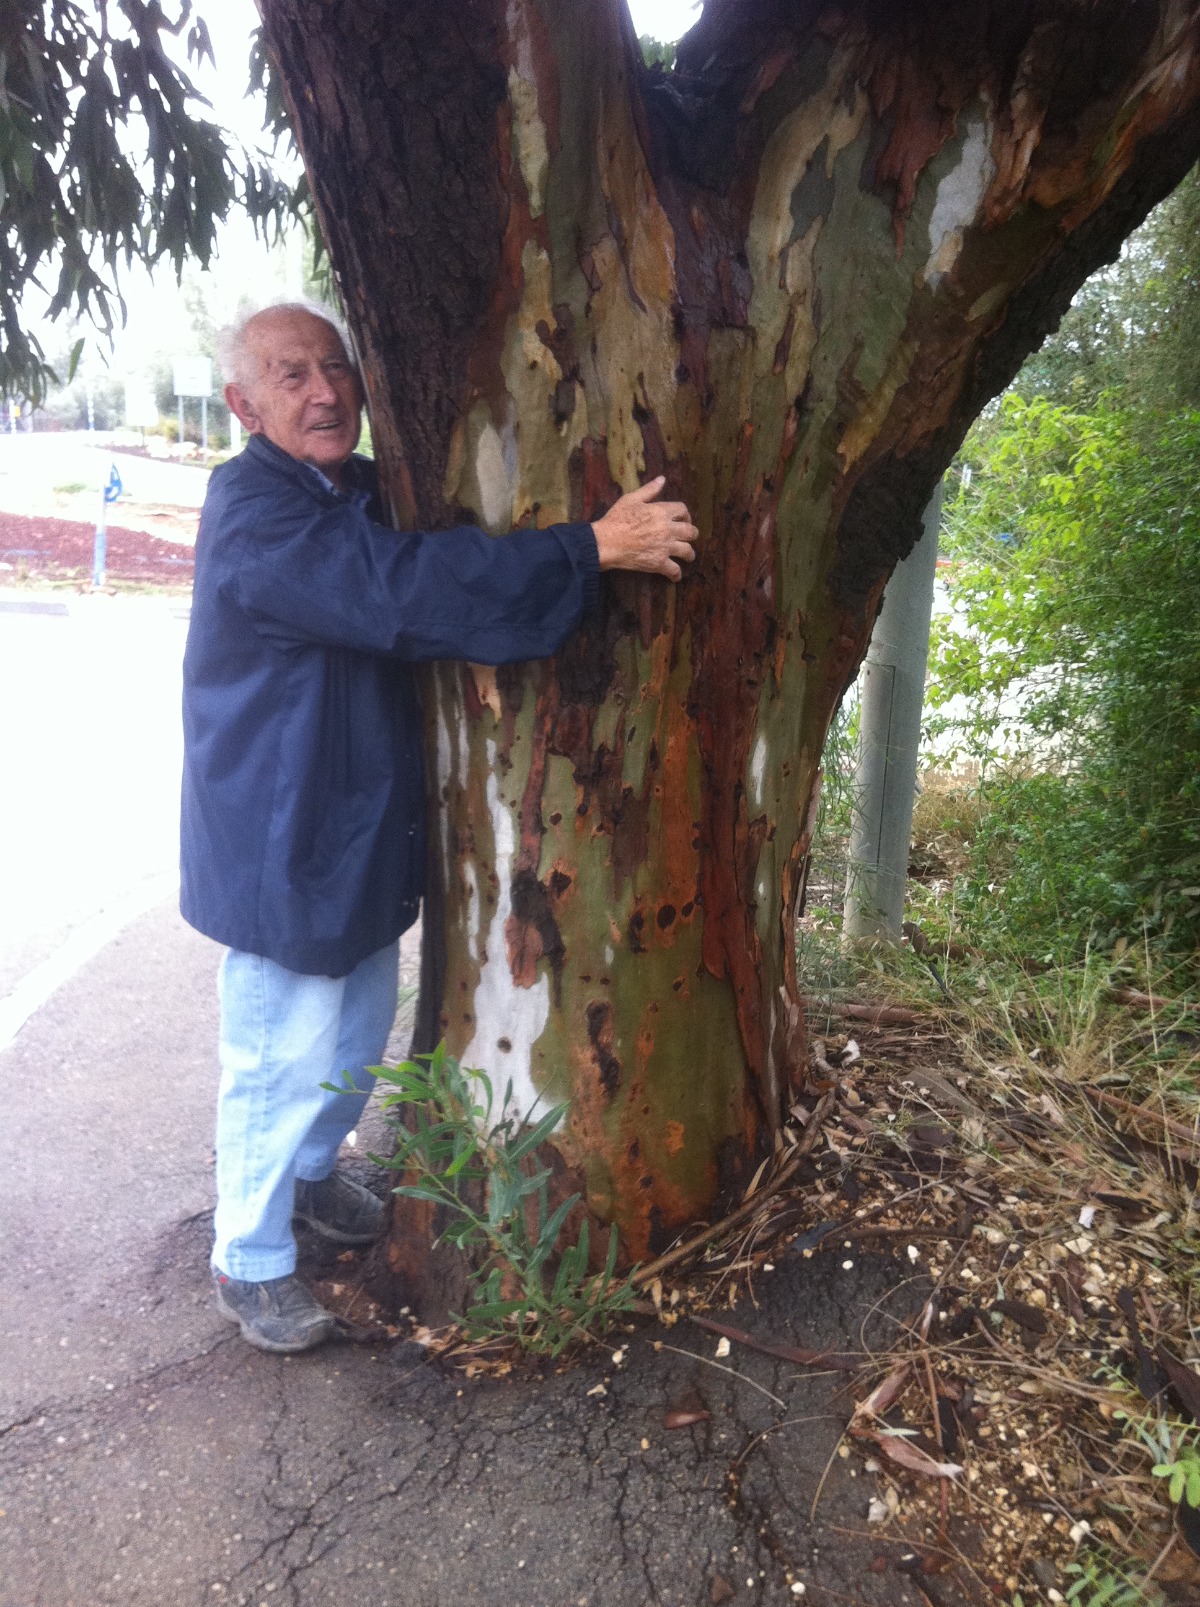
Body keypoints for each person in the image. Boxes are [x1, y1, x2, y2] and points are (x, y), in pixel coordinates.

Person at [180, 300, 697, 1354]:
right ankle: (250, 1255)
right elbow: (398, 589)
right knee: (280, 1047)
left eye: (336, 367)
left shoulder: (349, 488)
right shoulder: (258, 513)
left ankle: (315, 1179)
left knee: (360, 1020)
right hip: (286, 833)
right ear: (243, 404)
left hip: (348, 823)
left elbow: (405, 561)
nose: (325, 390)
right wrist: (586, 548)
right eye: (291, 375)